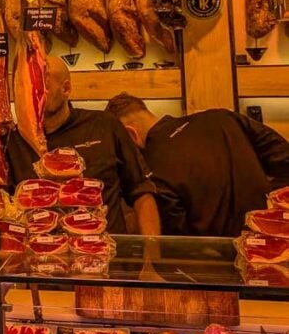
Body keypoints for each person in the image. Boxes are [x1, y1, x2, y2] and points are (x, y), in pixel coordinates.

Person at [7, 56, 161, 236]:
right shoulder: (12, 140)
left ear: (66, 89)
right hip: (41, 250)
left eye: (42, 85)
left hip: (104, 249)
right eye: (26, 86)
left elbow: (141, 192)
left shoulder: (104, 125)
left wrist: (151, 251)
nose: (33, 93)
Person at [104, 93, 289, 237]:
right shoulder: (223, 117)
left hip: (220, 264)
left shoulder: (150, 170)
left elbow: (179, 240)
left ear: (131, 134)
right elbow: (284, 158)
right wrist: (268, 208)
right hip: (274, 244)